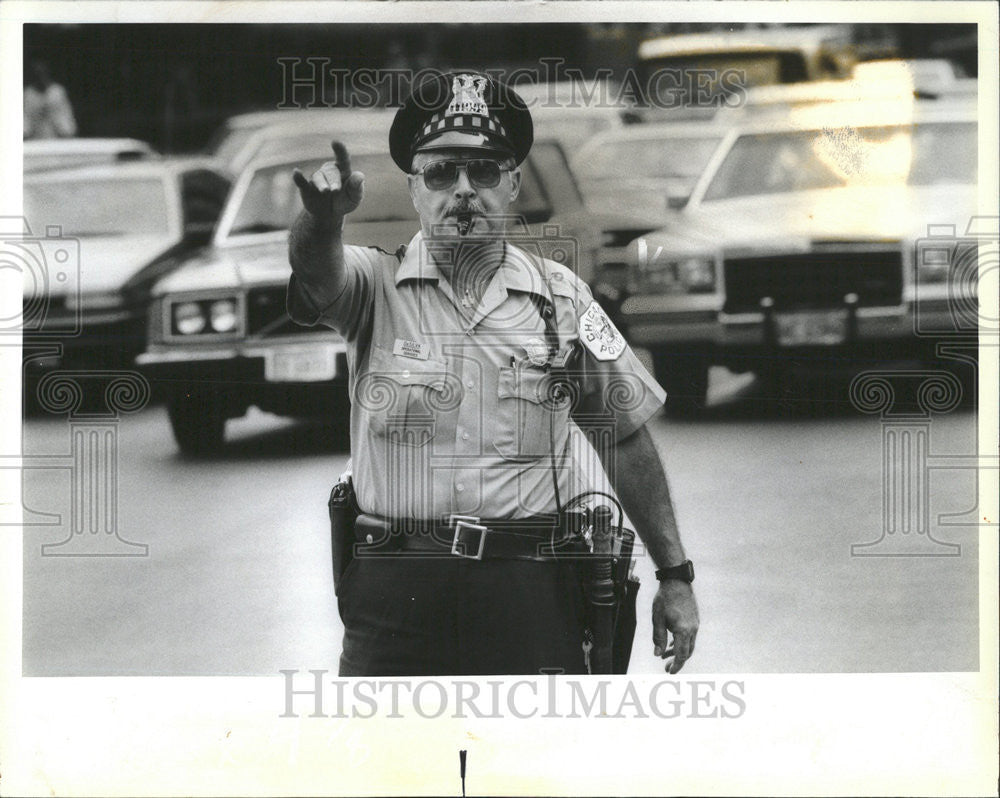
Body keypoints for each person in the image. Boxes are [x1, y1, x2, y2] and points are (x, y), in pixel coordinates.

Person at [287, 70, 698, 676]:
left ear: (512, 184)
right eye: (440, 173)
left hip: (528, 591)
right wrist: (322, 221)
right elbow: (315, 272)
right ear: (414, 188)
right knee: (386, 765)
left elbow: (625, 436)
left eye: (483, 172)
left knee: (532, 766)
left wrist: (675, 576)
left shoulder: (564, 301)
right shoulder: (372, 287)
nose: (463, 191)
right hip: (395, 592)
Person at [23, 60, 77, 140]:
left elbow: (66, 120)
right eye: (37, 74)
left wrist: (51, 113)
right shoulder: (28, 94)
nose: (40, 78)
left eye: (42, 73)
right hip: (34, 140)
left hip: (56, 140)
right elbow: (24, 121)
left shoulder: (57, 92)